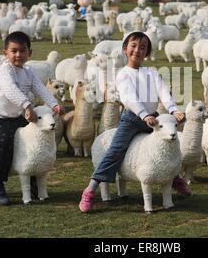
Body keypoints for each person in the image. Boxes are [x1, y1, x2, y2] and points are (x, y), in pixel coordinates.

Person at [78, 31, 191, 213]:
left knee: (166, 147)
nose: (137, 50)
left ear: (147, 52)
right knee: (115, 150)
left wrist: (173, 110)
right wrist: (143, 115)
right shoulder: (123, 74)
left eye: (143, 47)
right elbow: (129, 97)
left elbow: (163, 92)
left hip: (154, 119)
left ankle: (175, 177)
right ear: (125, 49)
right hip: (132, 119)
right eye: (134, 46)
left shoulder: (152, 73)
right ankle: (90, 189)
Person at [0, 31, 64, 206]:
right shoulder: (5, 70)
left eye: (22, 50)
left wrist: (53, 104)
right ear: (5, 53)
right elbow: (11, 90)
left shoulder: (28, 72)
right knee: (5, 140)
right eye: (14, 51)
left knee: (32, 141)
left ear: (29, 53)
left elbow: (40, 89)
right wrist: (27, 106)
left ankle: (34, 180)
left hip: (16, 116)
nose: (18, 55)